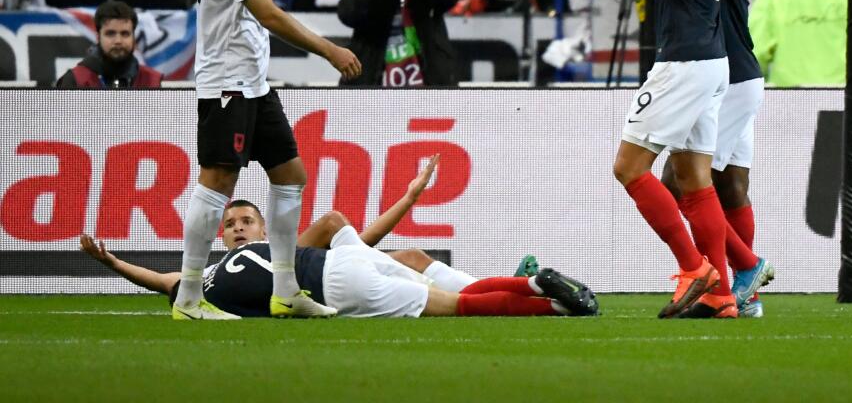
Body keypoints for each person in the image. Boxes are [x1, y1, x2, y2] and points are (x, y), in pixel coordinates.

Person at [521, 0, 765, 319]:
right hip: (715, 63)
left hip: (685, 62)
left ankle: (694, 269)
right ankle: (722, 294)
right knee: (695, 178)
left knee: (629, 168)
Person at [176, 0, 363, 319]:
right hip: (228, 85)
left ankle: (285, 291)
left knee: (291, 176)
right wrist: (330, 50)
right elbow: (268, 14)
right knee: (218, 180)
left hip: (252, 84)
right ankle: (190, 297)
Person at [82, 156, 599, 319]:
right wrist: (113, 261)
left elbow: (164, 283)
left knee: (456, 307)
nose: (239, 227)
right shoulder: (213, 272)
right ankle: (532, 286)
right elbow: (164, 281)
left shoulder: (267, 256)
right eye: (232, 223)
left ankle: (546, 302)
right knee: (444, 286)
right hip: (345, 264)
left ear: (263, 229)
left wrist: (112, 264)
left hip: (335, 285)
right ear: (222, 235)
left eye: (246, 221)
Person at [660, 0, 773, 319]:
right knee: (731, 187)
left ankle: (738, 273)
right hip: (742, 72)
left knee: (675, 181)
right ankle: (746, 294)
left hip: (724, 74)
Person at [55, 0, 164, 88]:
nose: (118, 41)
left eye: (125, 34)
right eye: (110, 34)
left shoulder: (151, 80)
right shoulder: (76, 80)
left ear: (133, 38)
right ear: (98, 37)